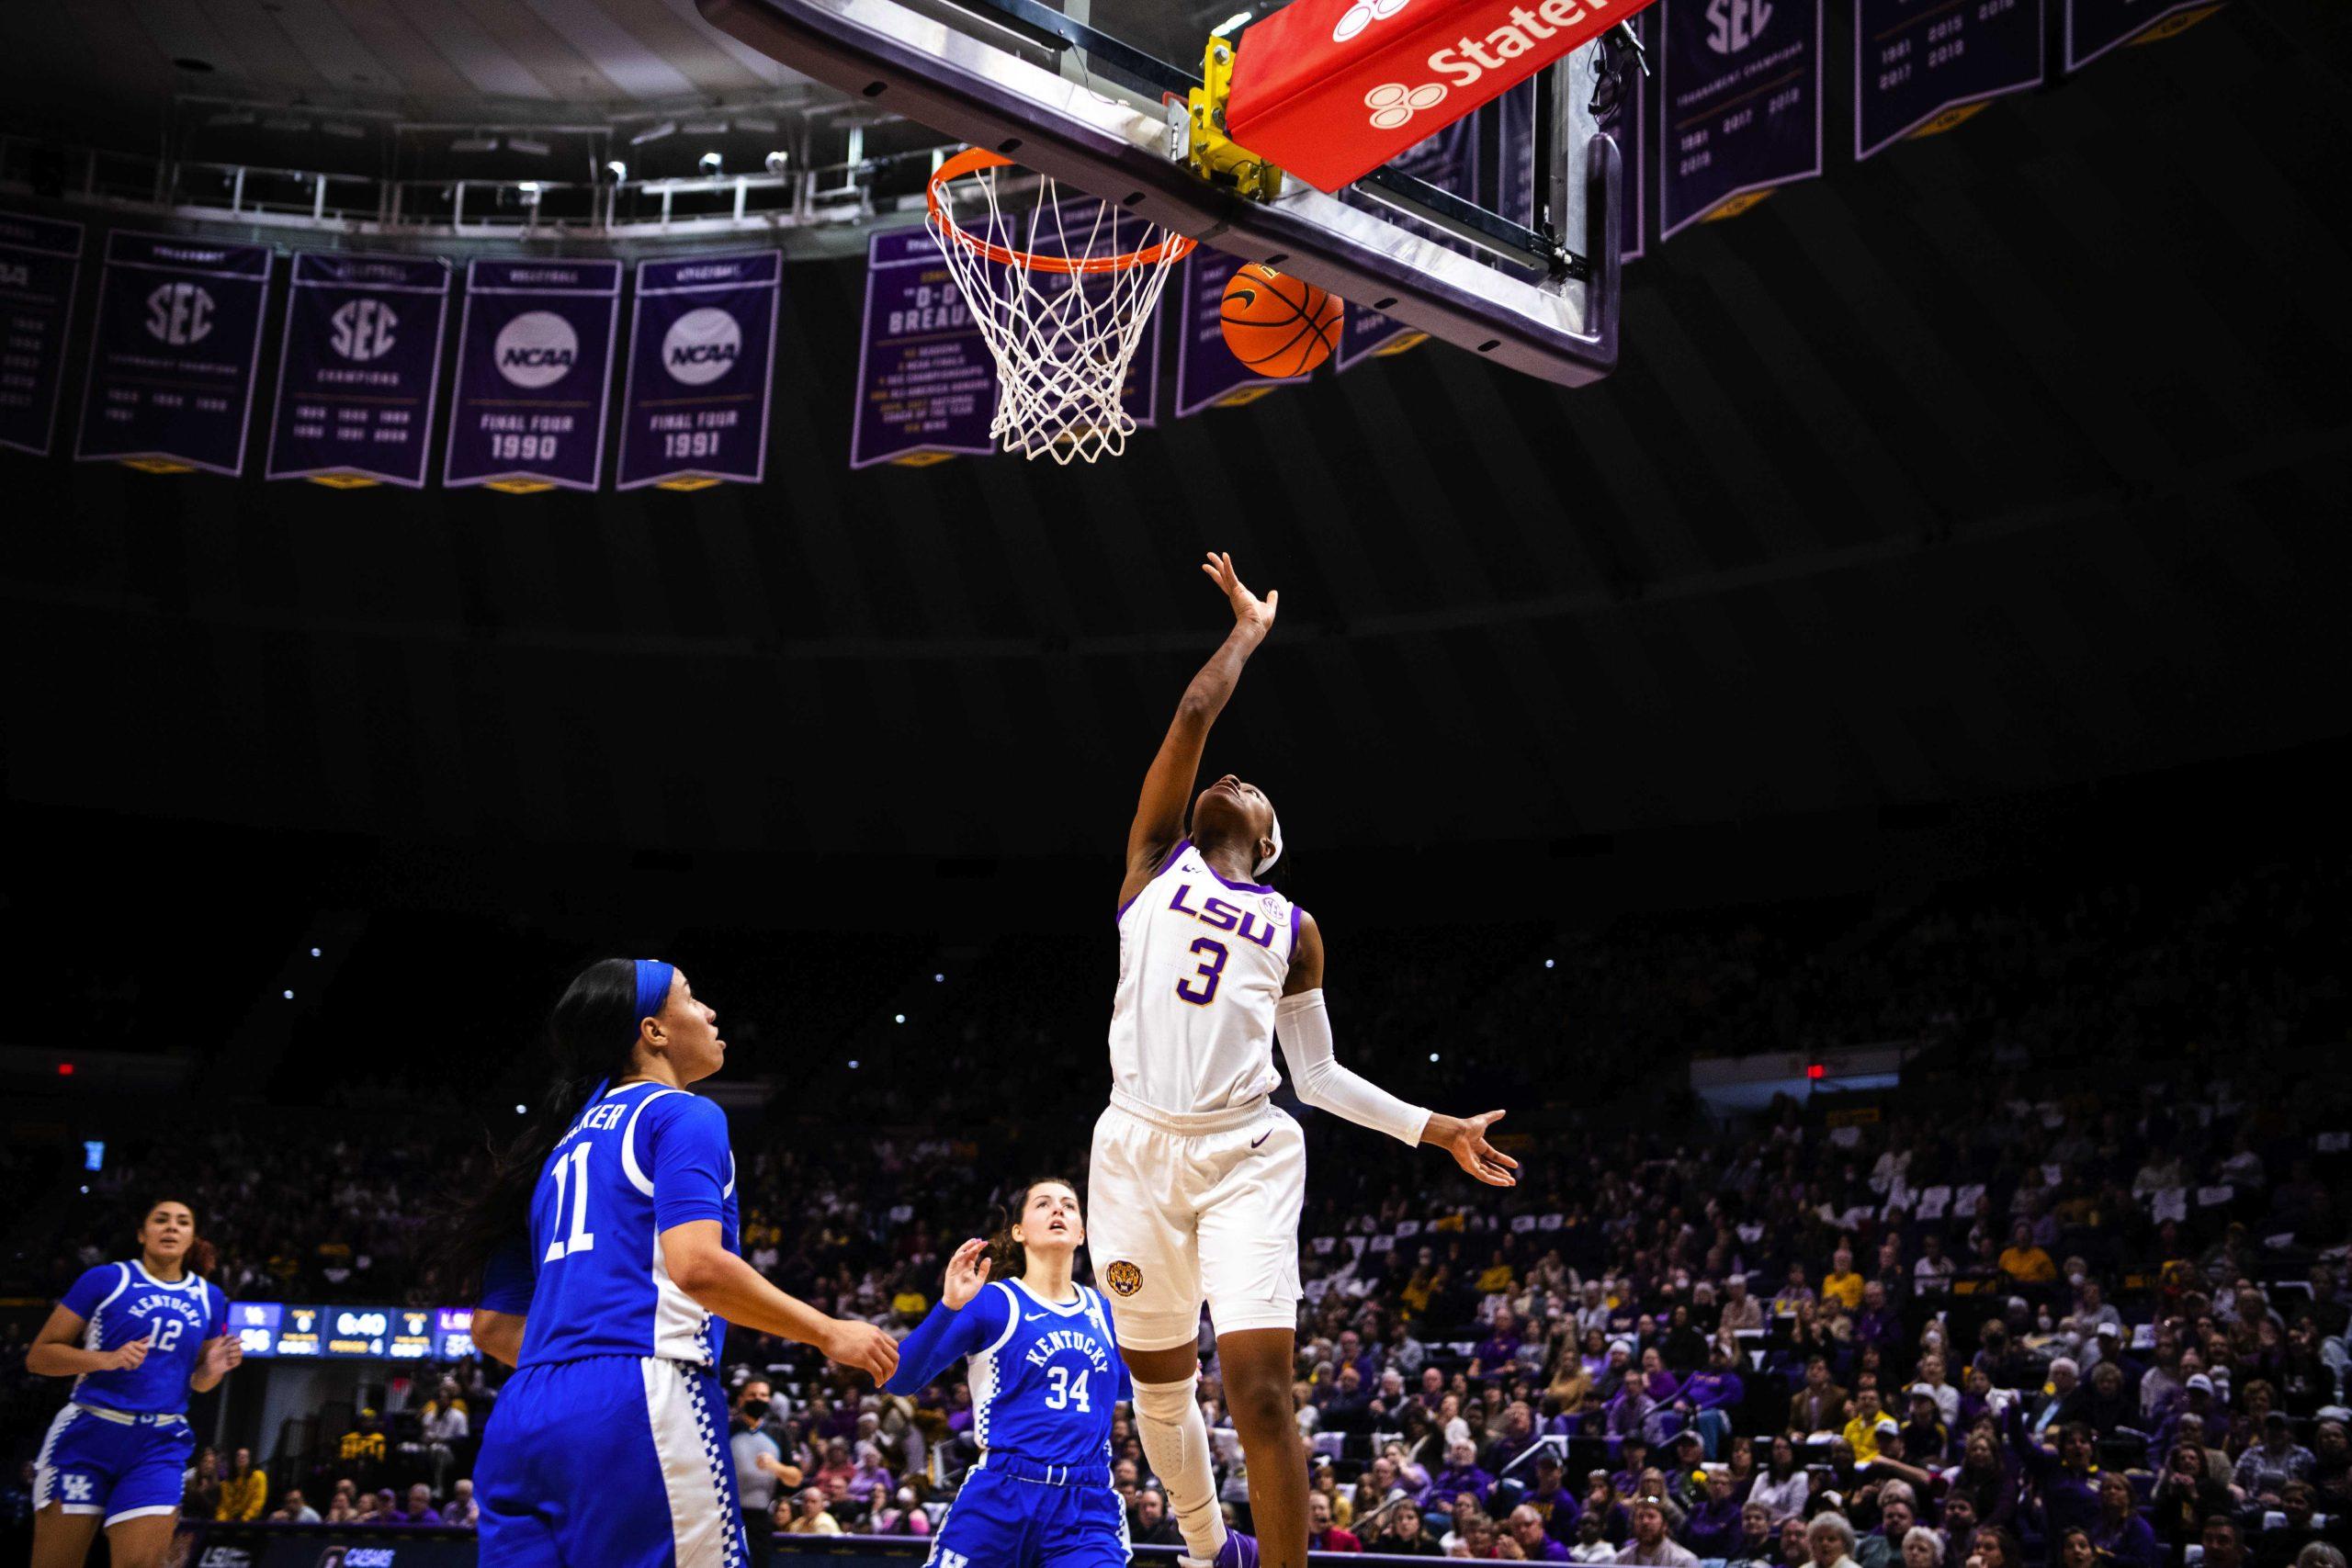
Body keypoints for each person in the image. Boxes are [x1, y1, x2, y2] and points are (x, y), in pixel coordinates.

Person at [1090, 553, 1519, 1568]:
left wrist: (1435, 1125)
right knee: (1156, 1389)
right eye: (1228, 777)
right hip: (1134, 1148)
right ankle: (1206, 1547)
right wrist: (1245, 630)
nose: (1231, 776)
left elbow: (1318, 1079)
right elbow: (1194, 717)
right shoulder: (1150, 865)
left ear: (1268, 838)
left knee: (1261, 1392)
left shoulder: (1293, 927)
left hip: (1246, 1150)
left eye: (1253, 787)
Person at [444, 959, 899, 1568]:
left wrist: (581, 1370)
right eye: (692, 997)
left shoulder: (549, 1150)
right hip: (640, 1398)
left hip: (524, 1413)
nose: (710, 1011)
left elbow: (493, 1328)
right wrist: (829, 1331)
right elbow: (697, 1266)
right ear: (654, 1030)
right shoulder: (683, 1113)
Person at [877, 1176, 1133, 1568]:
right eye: (1044, 1204)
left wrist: (1177, 1370)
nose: (1059, 1210)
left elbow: (1125, 1388)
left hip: (1084, 1505)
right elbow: (900, 1379)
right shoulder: (995, 1301)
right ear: (1018, 1232)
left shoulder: (1105, 1311)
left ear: (1082, 1232)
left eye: (1069, 1205)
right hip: (1001, 1495)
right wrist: (948, 1305)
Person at [26, 1197, 243, 1568]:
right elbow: (39, 1356)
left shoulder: (211, 1297)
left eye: (182, 1222)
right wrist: (104, 1359)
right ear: (143, 1234)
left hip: (157, 1443)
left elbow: (200, 1384)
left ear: (192, 1238)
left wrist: (213, 1371)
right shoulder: (106, 1279)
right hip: (89, 1433)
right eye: (161, 1220)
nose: (171, 1227)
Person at [731, 1378, 792, 1567]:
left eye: (763, 1395)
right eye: (752, 1395)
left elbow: (795, 1478)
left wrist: (776, 1467)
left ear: (770, 1401)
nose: (758, 1399)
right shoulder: (727, 1430)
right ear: (741, 1399)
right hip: (728, 1517)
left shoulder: (778, 1433)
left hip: (761, 1519)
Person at [1617, 1496, 1699, 1567]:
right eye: (1640, 1517)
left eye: (1651, 1516)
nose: (1645, 1522)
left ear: (1665, 1525)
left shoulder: (1684, 1561)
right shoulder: (1622, 1558)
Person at [216, 1447, 266, 1522]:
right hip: (228, 1522)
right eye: (238, 1455)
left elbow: (258, 1501)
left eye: (245, 1456)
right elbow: (222, 1506)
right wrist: (221, 1520)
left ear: (250, 1460)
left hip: (250, 1522)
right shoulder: (226, 1482)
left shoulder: (258, 1476)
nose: (241, 1458)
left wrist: (245, 1518)